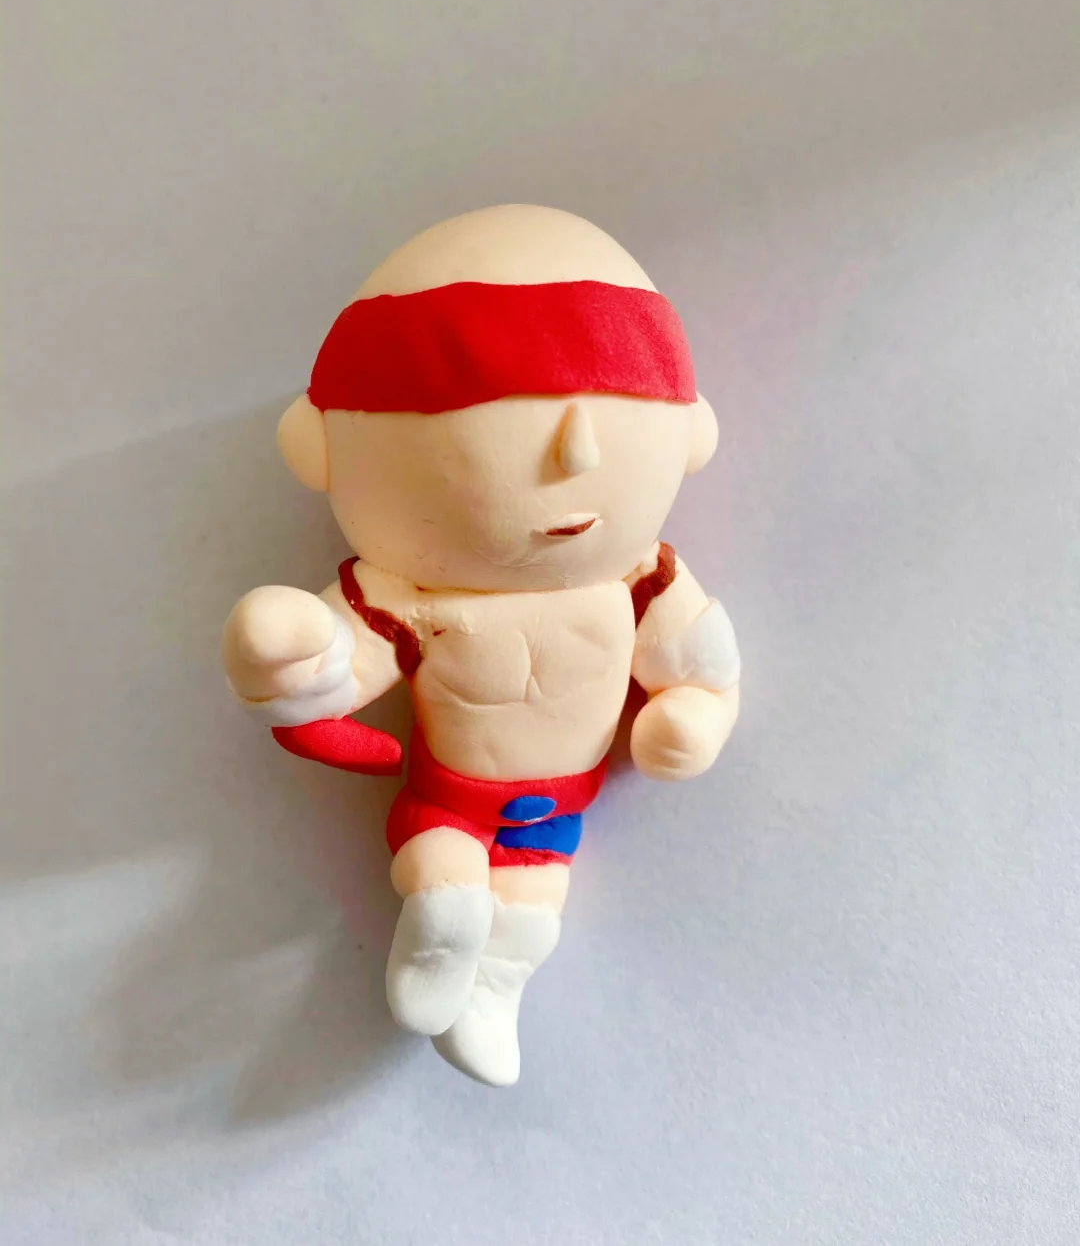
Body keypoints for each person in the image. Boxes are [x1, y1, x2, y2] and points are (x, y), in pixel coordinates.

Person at [222, 204, 740, 1086]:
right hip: (450, 796)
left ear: (689, 434)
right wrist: (290, 661)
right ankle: (442, 916)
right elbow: (341, 662)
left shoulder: (642, 579)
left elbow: (703, 669)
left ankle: (495, 979)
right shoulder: (411, 593)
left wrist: (693, 719)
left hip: (558, 807)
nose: (577, 456)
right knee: (445, 863)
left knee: (533, 906)